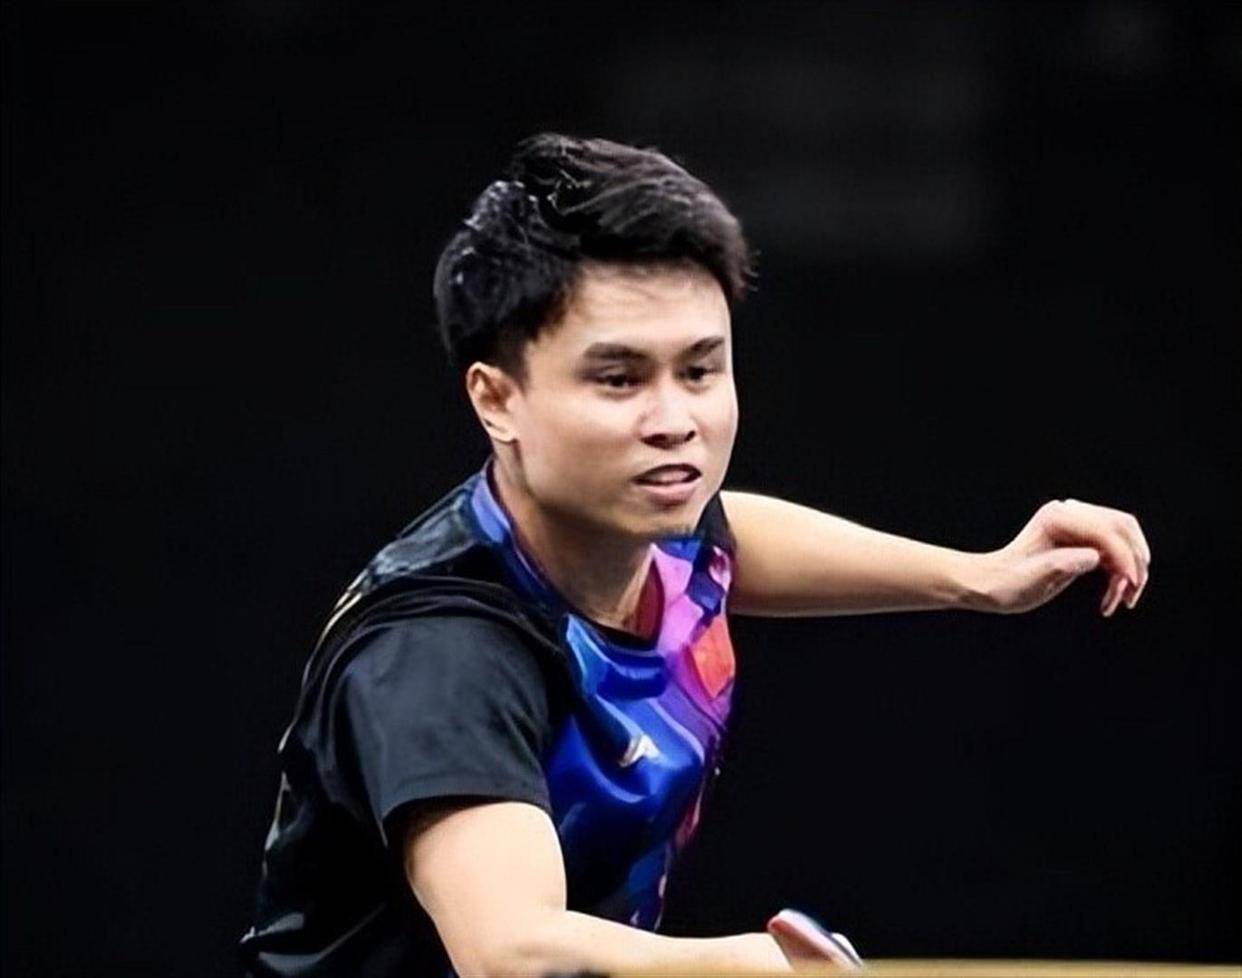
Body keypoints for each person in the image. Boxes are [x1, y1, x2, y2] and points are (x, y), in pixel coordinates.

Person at [239, 133, 1151, 978]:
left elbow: (724, 537)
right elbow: (511, 950)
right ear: (497, 400)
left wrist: (977, 576)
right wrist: (746, 967)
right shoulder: (440, 653)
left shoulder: (647, 526)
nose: (675, 421)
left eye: (701, 370)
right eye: (619, 378)